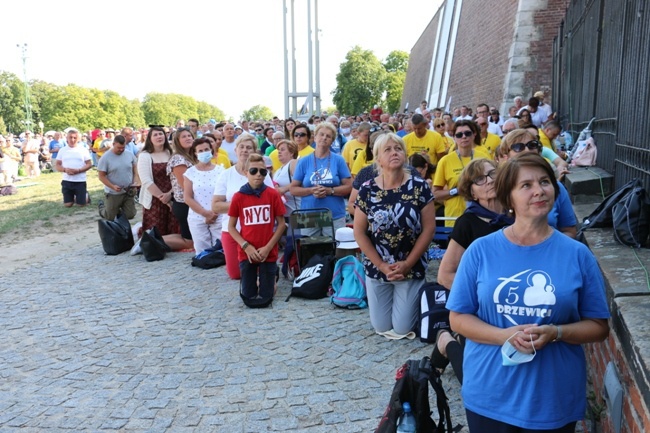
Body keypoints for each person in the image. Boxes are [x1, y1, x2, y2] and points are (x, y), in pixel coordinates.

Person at [446, 152, 610, 432]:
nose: (539, 190)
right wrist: (504, 336)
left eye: (545, 182)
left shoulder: (577, 255)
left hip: (551, 397)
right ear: (508, 197)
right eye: (526, 185)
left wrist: (556, 332)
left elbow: (598, 326)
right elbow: (458, 318)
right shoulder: (481, 251)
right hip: (490, 393)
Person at [434, 158, 513, 383]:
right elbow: (445, 274)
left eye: (492, 174)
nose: (488, 181)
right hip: (479, 309)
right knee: (475, 381)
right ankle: (447, 342)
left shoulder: (518, 216)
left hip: (511, 304)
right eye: (480, 179)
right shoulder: (467, 223)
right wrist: (481, 294)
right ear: (472, 192)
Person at [353, 133, 435, 339]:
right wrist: (380, 265)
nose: (394, 153)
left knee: (402, 328)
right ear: (378, 158)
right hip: (377, 266)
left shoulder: (419, 187)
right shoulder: (367, 189)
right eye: (387, 150)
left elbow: (429, 229)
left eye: (398, 148)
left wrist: (408, 263)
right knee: (380, 326)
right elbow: (359, 232)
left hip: (410, 265)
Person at [213, 133, 275, 280]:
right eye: (241, 147)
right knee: (236, 274)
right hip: (232, 229)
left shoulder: (262, 173)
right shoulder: (226, 175)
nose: (244, 150)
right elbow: (216, 206)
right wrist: (242, 205)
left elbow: (273, 200)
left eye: (249, 147)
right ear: (235, 150)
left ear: (255, 151)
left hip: (259, 229)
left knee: (260, 269)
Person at [228, 153, 286, 307]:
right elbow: (231, 227)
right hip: (247, 251)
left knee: (266, 296)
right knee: (249, 294)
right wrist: (246, 246)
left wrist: (268, 247)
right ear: (246, 172)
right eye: (253, 171)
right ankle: (263, 278)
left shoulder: (272, 194)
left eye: (263, 172)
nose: (258, 175)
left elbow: (281, 224)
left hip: (268, 251)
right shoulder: (238, 197)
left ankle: (272, 276)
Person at [496, 129, 577, 238]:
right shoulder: (496, 189)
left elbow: (569, 231)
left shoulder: (555, 188)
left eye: (532, 145)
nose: (527, 150)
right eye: (518, 147)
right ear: (506, 156)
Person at [290, 122, 352, 236]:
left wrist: (330, 191)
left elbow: (349, 186)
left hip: (335, 215)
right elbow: (293, 189)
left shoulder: (339, 160)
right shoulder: (303, 161)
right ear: (315, 137)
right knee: (310, 251)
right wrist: (311, 190)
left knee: (334, 250)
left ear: (332, 141)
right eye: (321, 134)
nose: (324, 138)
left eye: (328, 136)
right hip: (309, 215)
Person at [433, 120, 483, 226]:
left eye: (467, 133)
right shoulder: (445, 161)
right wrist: (457, 191)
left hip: (481, 216)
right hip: (454, 219)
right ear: (454, 138)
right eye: (459, 135)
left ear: (474, 134)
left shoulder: (483, 157)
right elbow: (435, 194)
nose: (464, 137)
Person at [183, 137, 224, 255]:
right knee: (203, 252)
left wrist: (214, 212)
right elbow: (188, 197)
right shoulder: (190, 173)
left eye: (206, 149)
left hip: (219, 215)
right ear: (195, 153)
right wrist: (205, 213)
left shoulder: (221, 171)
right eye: (200, 151)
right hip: (197, 217)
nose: (204, 152)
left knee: (222, 251)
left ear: (211, 150)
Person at [137, 126, 178, 238]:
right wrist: (164, 199)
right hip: (154, 198)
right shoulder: (145, 156)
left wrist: (170, 194)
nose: (159, 136)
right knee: (155, 234)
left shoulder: (171, 153)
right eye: (155, 135)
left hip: (173, 194)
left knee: (175, 232)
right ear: (150, 139)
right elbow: (146, 181)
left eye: (161, 134)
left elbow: (177, 177)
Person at [165, 127, 196, 251]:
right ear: (177, 141)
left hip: (190, 202)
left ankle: (155, 237)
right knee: (189, 242)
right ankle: (151, 239)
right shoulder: (178, 159)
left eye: (189, 136)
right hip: (184, 203)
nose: (188, 138)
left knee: (188, 236)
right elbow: (184, 185)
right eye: (184, 136)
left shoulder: (191, 157)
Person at [97, 134, 137, 221]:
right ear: (113, 144)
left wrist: (135, 182)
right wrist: (112, 186)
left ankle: (117, 209)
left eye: (123, 147)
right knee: (110, 217)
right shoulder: (105, 158)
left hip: (128, 190)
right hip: (113, 192)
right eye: (119, 148)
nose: (121, 150)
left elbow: (135, 168)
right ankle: (101, 208)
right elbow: (101, 176)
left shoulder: (129, 154)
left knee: (130, 215)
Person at [55, 129, 92, 207]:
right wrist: (65, 170)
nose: (72, 140)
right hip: (67, 180)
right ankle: (74, 198)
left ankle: (85, 196)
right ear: (67, 138)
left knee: (81, 205)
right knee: (68, 205)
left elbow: (89, 164)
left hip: (80, 180)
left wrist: (79, 170)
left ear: (78, 139)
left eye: (75, 138)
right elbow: (57, 165)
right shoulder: (62, 150)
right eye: (70, 137)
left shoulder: (83, 150)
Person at [272, 139, 300, 217]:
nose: (279, 152)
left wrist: (284, 189)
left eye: (283, 149)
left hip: (297, 213)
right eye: (278, 150)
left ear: (291, 153)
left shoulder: (294, 162)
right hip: (283, 215)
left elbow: (301, 182)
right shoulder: (277, 171)